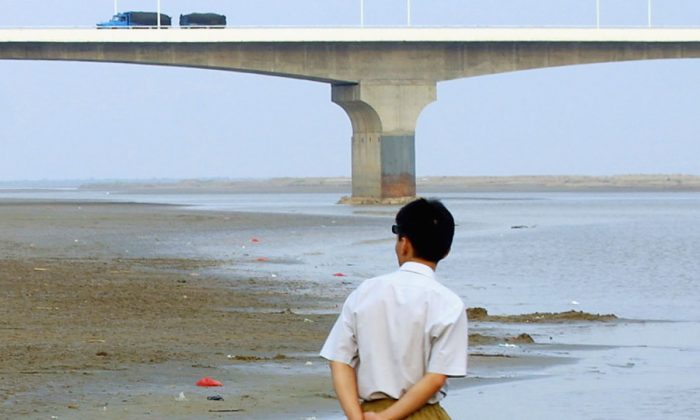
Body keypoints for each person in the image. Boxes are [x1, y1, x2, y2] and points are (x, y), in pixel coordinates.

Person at [320, 198, 468, 420]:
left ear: (404, 243)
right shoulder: (448, 303)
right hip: (425, 413)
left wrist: (356, 416)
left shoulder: (366, 291)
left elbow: (339, 360)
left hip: (371, 409)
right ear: (446, 251)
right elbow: (436, 377)